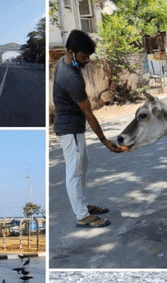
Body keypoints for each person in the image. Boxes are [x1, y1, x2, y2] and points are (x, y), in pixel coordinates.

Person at [53, 29, 124, 229]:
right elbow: (89, 113)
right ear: (71, 52)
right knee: (75, 172)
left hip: (74, 128)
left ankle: (83, 205)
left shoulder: (64, 63)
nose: (87, 61)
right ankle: (82, 216)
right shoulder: (71, 78)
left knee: (83, 166)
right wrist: (104, 141)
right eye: (84, 57)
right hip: (69, 130)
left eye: (89, 56)